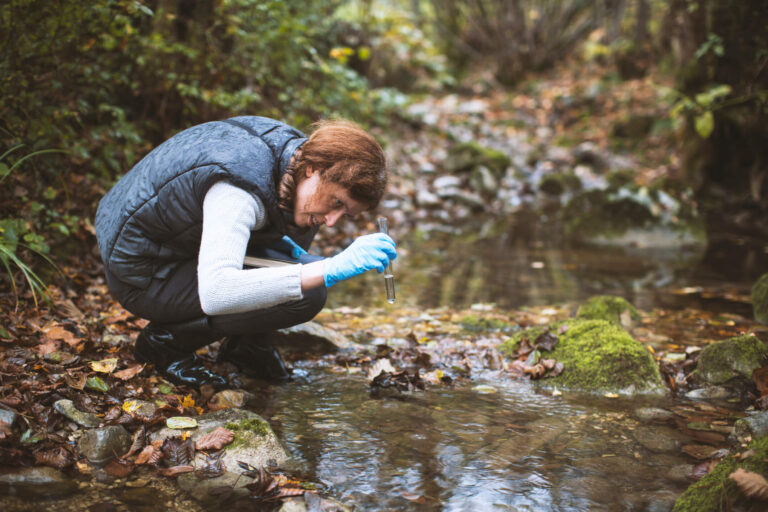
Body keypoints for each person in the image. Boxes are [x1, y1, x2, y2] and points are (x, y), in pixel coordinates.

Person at [94, 116, 396, 389]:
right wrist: (330, 269)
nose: (332, 221)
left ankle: (247, 346)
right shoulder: (237, 191)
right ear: (313, 170)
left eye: (345, 214)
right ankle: (166, 343)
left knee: (305, 249)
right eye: (337, 203)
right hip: (145, 271)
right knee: (308, 291)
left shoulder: (296, 162)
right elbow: (217, 292)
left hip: (180, 245)